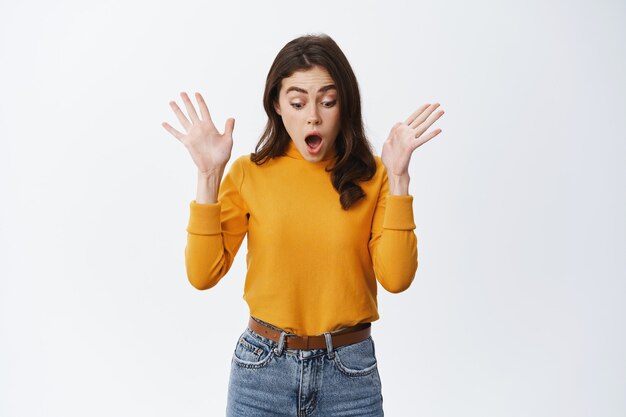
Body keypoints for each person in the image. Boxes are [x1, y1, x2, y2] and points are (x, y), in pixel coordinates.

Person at [162, 33, 444, 417]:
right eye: (297, 102)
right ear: (277, 105)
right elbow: (202, 274)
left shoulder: (374, 176)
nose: (313, 115)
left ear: (344, 105)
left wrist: (399, 178)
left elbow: (396, 279)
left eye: (328, 101)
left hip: (350, 375)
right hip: (261, 374)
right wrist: (209, 176)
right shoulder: (249, 174)